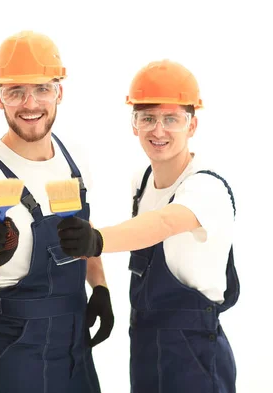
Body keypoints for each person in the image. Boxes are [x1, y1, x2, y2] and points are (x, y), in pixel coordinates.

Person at [56, 59, 239, 392]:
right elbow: (139, 230)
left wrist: (96, 240)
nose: (158, 130)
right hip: (144, 346)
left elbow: (164, 223)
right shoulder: (141, 181)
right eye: (148, 118)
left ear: (192, 125)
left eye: (172, 118)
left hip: (194, 356)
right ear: (134, 123)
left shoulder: (206, 188)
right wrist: (100, 286)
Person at [0, 30, 114, 393]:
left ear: (60, 91)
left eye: (42, 88)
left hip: (76, 350)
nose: (30, 103)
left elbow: (83, 234)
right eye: (15, 91)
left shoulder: (74, 160)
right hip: (16, 354)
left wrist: (99, 286)